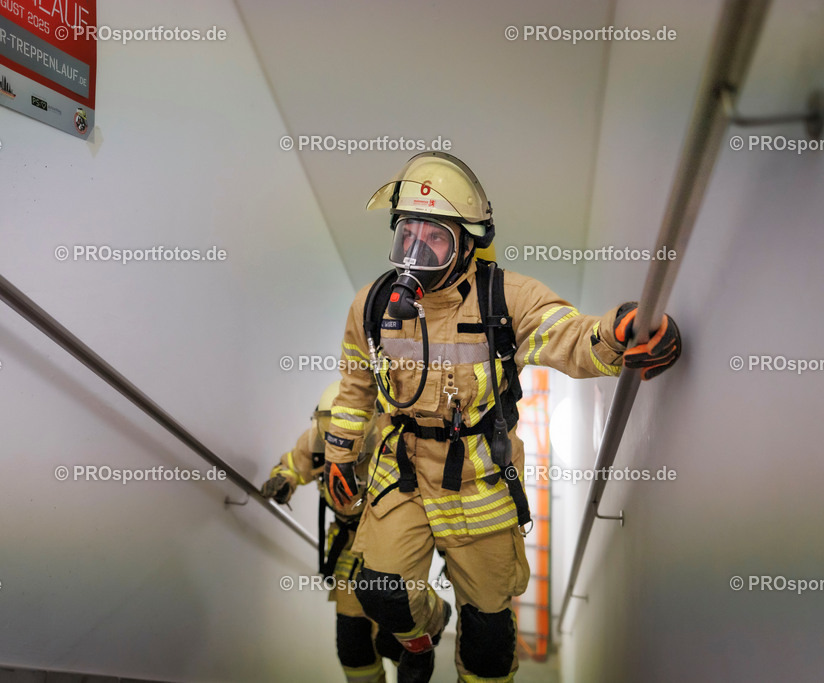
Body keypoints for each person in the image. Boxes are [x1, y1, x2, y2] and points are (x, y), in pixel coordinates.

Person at [323, 152, 682, 682]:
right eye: (407, 234)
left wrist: (620, 330)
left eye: (435, 237)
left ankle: (470, 640)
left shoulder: (506, 296)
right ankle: (424, 635)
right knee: (380, 589)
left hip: (478, 478)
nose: (416, 250)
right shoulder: (371, 305)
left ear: (467, 242)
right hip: (400, 469)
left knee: (490, 628)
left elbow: (569, 333)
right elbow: (355, 385)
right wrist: (337, 454)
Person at [261, 382, 404, 683]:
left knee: (397, 640)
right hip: (350, 551)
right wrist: (283, 481)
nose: (337, 449)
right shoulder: (316, 441)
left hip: (392, 550)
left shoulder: (394, 443)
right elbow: (293, 464)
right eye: (331, 439)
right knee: (353, 641)